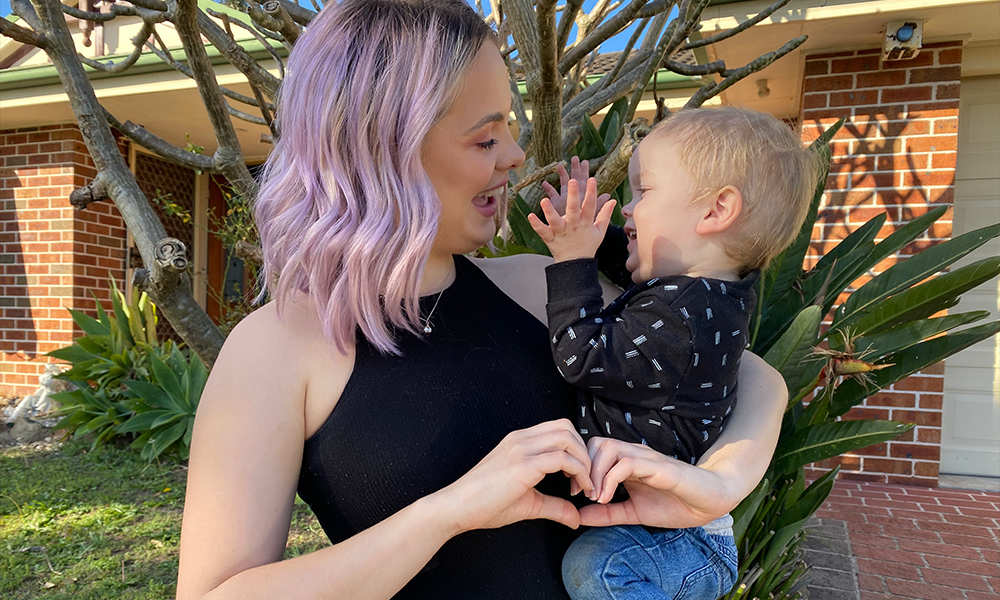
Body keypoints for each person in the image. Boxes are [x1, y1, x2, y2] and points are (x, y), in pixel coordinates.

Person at [175, 2, 788, 599]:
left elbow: (749, 373)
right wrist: (447, 512)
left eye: (511, 132)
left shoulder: (535, 284)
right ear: (384, 148)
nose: (516, 157)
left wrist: (718, 483)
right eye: (484, 138)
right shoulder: (277, 348)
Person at [527, 108, 819, 600]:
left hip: (673, 540)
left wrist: (573, 259)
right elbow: (641, 269)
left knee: (598, 568)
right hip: (666, 530)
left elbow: (581, 355)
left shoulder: (680, 320)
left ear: (714, 211)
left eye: (644, 191)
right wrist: (583, 232)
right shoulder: (706, 294)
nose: (626, 207)